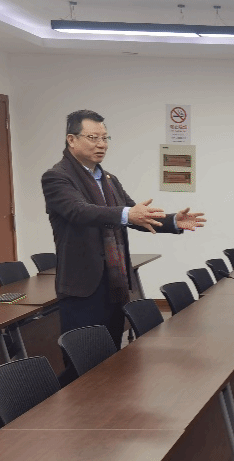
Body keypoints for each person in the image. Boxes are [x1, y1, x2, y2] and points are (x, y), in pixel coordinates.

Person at [42, 109, 206, 354]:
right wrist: (128, 214)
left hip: (114, 281)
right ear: (71, 140)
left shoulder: (109, 179)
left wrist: (173, 221)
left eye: (105, 138)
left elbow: (136, 214)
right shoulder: (57, 177)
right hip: (82, 285)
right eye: (93, 138)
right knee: (84, 358)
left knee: (111, 353)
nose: (101, 144)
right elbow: (80, 211)